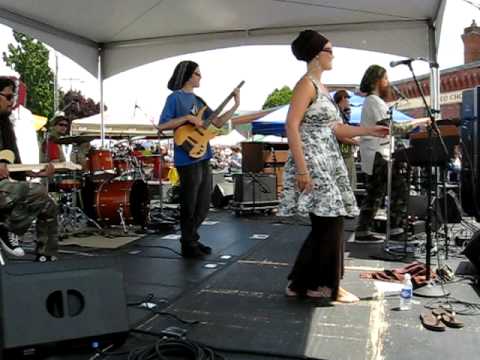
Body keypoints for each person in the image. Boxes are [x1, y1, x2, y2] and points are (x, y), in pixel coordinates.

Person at [278, 30, 389, 303]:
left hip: (327, 160)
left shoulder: (321, 88)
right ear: (317, 53)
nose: (333, 54)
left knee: (326, 224)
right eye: (330, 49)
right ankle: (329, 286)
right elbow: (291, 125)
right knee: (330, 223)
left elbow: (335, 129)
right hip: (314, 162)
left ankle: (301, 284)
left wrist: (369, 131)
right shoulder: (306, 84)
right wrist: (302, 170)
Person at [158, 61, 240, 258]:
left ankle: (191, 238)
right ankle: (188, 243)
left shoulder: (199, 100)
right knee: (190, 202)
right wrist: (187, 118)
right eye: (197, 74)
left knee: (203, 204)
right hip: (186, 158)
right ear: (187, 76)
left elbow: (218, 121)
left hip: (204, 155)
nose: (200, 77)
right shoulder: (174, 99)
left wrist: (236, 104)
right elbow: (162, 125)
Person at [355, 65, 430, 243]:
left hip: (374, 154)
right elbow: (390, 128)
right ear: (377, 80)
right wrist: (419, 121)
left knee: (375, 193)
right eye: (386, 79)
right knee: (399, 188)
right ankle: (396, 230)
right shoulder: (373, 101)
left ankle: (362, 231)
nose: (388, 83)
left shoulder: (373, 101)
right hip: (378, 154)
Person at [0, 77, 59, 261]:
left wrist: (34, 173)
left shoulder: (5, 126)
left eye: (14, 97)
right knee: (30, 190)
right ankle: (7, 229)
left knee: (48, 203)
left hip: (6, 185)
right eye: (9, 97)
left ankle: (46, 255)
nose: (13, 102)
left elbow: (12, 165)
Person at [334, 89, 358, 189]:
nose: (349, 103)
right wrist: (356, 142)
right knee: (348, 185)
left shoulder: (340, 114)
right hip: (344, 155)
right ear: (343, 98)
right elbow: (340, 136)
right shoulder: (337, 115)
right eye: (348, 99)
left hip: (344, 153)